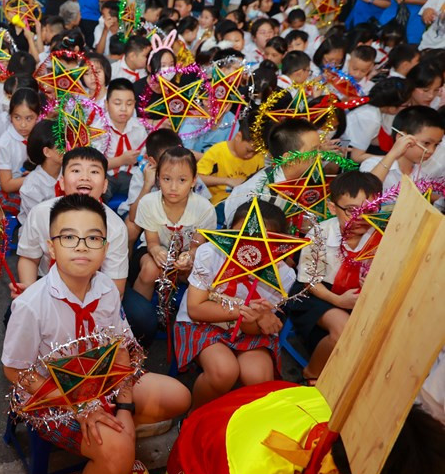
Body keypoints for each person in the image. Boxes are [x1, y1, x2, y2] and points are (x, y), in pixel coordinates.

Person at [3, 194, 191, 474]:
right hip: (51, 398)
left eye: (93, 238)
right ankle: (112, 459)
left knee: (179, 396)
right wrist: (79, 406)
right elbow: (16, 372)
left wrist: (126, 410)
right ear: (50, 247)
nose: (81, 245)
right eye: (69, 237)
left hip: (101, 381)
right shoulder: (31, 305)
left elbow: (121, 350)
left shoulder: (105, 288)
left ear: (105, 249)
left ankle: (106, 459)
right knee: (117, 451)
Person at [179, 200, 291, 410]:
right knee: (224, 372)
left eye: (263, 241)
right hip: (203, 323)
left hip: (248, 331)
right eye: (243, 236)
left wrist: (254, 318)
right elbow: (196, 309)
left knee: (259, 378)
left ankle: (235, 425)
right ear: (230, 232)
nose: (250, 248)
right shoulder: (210, 253)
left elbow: (257, 327)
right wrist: (248, 311)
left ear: (279, 245)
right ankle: (194, 417)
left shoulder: (282, 275)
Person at [286, 171, 382, 384]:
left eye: (370, 211)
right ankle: (312, 374)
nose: (360, 218)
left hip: (360, 294)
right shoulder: (319, 233)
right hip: (317, 292)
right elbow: (310, 281)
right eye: (351, 211)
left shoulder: (381, 236)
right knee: (345, 329)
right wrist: (338, 301)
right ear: (332, 208)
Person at [16, 147, 129, 296]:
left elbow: (115, 285)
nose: (85, 177)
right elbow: (29, 258)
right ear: (62, 182)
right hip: (46, 280)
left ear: (105, 185)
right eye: (76, 171)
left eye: (94, 172)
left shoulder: (115, 227)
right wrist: (30, 295)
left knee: (142, 315)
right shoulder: (40, 213)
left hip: (93, 286)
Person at [130, 147, 216, 305]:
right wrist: (156, 250)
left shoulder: (205, 208)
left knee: (198, 273)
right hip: (154, 250)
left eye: (182, 180)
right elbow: (152, 242)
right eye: (166, 179)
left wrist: (189, 256)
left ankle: (184, 316)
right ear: (158, 178)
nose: (173, 187)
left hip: (186, 254)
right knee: (151, 269)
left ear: (194, 180)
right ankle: (138, 315)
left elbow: (198, 246)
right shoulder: (148, 203)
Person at [223, 118, 320, 224]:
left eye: (320, 149)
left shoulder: (310, 178)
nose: (319, 155)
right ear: (289, 158)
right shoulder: (258, 193)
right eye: (313, 151)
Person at [361, 106, 445, 189]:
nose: (431, 150)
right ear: (402, 137)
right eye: (426, 143)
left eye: (436, 145)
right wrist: (393, 154)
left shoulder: (421, 176)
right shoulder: (372, 164)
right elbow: (365, 193)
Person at [0, 88, 42, 212]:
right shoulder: (4, 144)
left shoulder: (38, 134)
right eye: (17, 118)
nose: (23, 125)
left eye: (29, 118)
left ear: (38, 116)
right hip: (4, 191)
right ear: (10, 116)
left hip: (27, 183)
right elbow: (6, 185)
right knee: (37, 207)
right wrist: (36, 177)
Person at [197, 118, 264, 215]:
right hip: (218, 204)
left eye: (256, 152)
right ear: (238, 136)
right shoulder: (217, 152)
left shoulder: (258, 158)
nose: (251, 155)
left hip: (245, 202)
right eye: (248, 150)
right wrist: (227, 181)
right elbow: (197, 178)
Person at [103, 78, 146, 199]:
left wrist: (143, 158)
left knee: (147, 190)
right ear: (106, 104)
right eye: (117, 103)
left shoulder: (138, 127)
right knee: (99, 191)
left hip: (131, 174)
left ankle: (131, 215)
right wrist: (121, 160)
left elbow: (144, 157)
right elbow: (94, 164)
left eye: (129, 104)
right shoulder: (98, 129)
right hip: (106, 175)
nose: (123, 109)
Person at [19, 119, 60, 226]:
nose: (68, 148)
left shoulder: (68, 171)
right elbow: (38, 221)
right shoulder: (32, 185)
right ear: (47, 152)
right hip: (38, 234)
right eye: (61, 146)